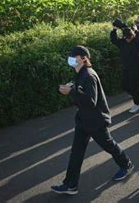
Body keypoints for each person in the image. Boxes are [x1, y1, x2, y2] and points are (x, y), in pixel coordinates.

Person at [52, 46, 133, 195]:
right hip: (83, 120)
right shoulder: (80, 73)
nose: (71, 58)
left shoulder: (88, 75)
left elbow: (90, 101)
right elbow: (82, 96)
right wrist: (72, 88)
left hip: (96, 121)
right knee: (76, 153)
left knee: (109, 146)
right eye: (70, 55)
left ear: (84, 58)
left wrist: (72, 91)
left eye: (74, 56)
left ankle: (126, 164)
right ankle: (70, 185)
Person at [110, 24, 139, 113]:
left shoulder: (137, 42)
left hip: (136, 67)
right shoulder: (123, 42)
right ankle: (137, 95)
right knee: (124, 85)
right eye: (126, 38)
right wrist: (114, 30)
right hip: (126, 67)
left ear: (133, 35)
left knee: (134, 86)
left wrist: (137, 31)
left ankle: (137, 105)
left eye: (129, 37)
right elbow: (114, 40)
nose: (128, 39)